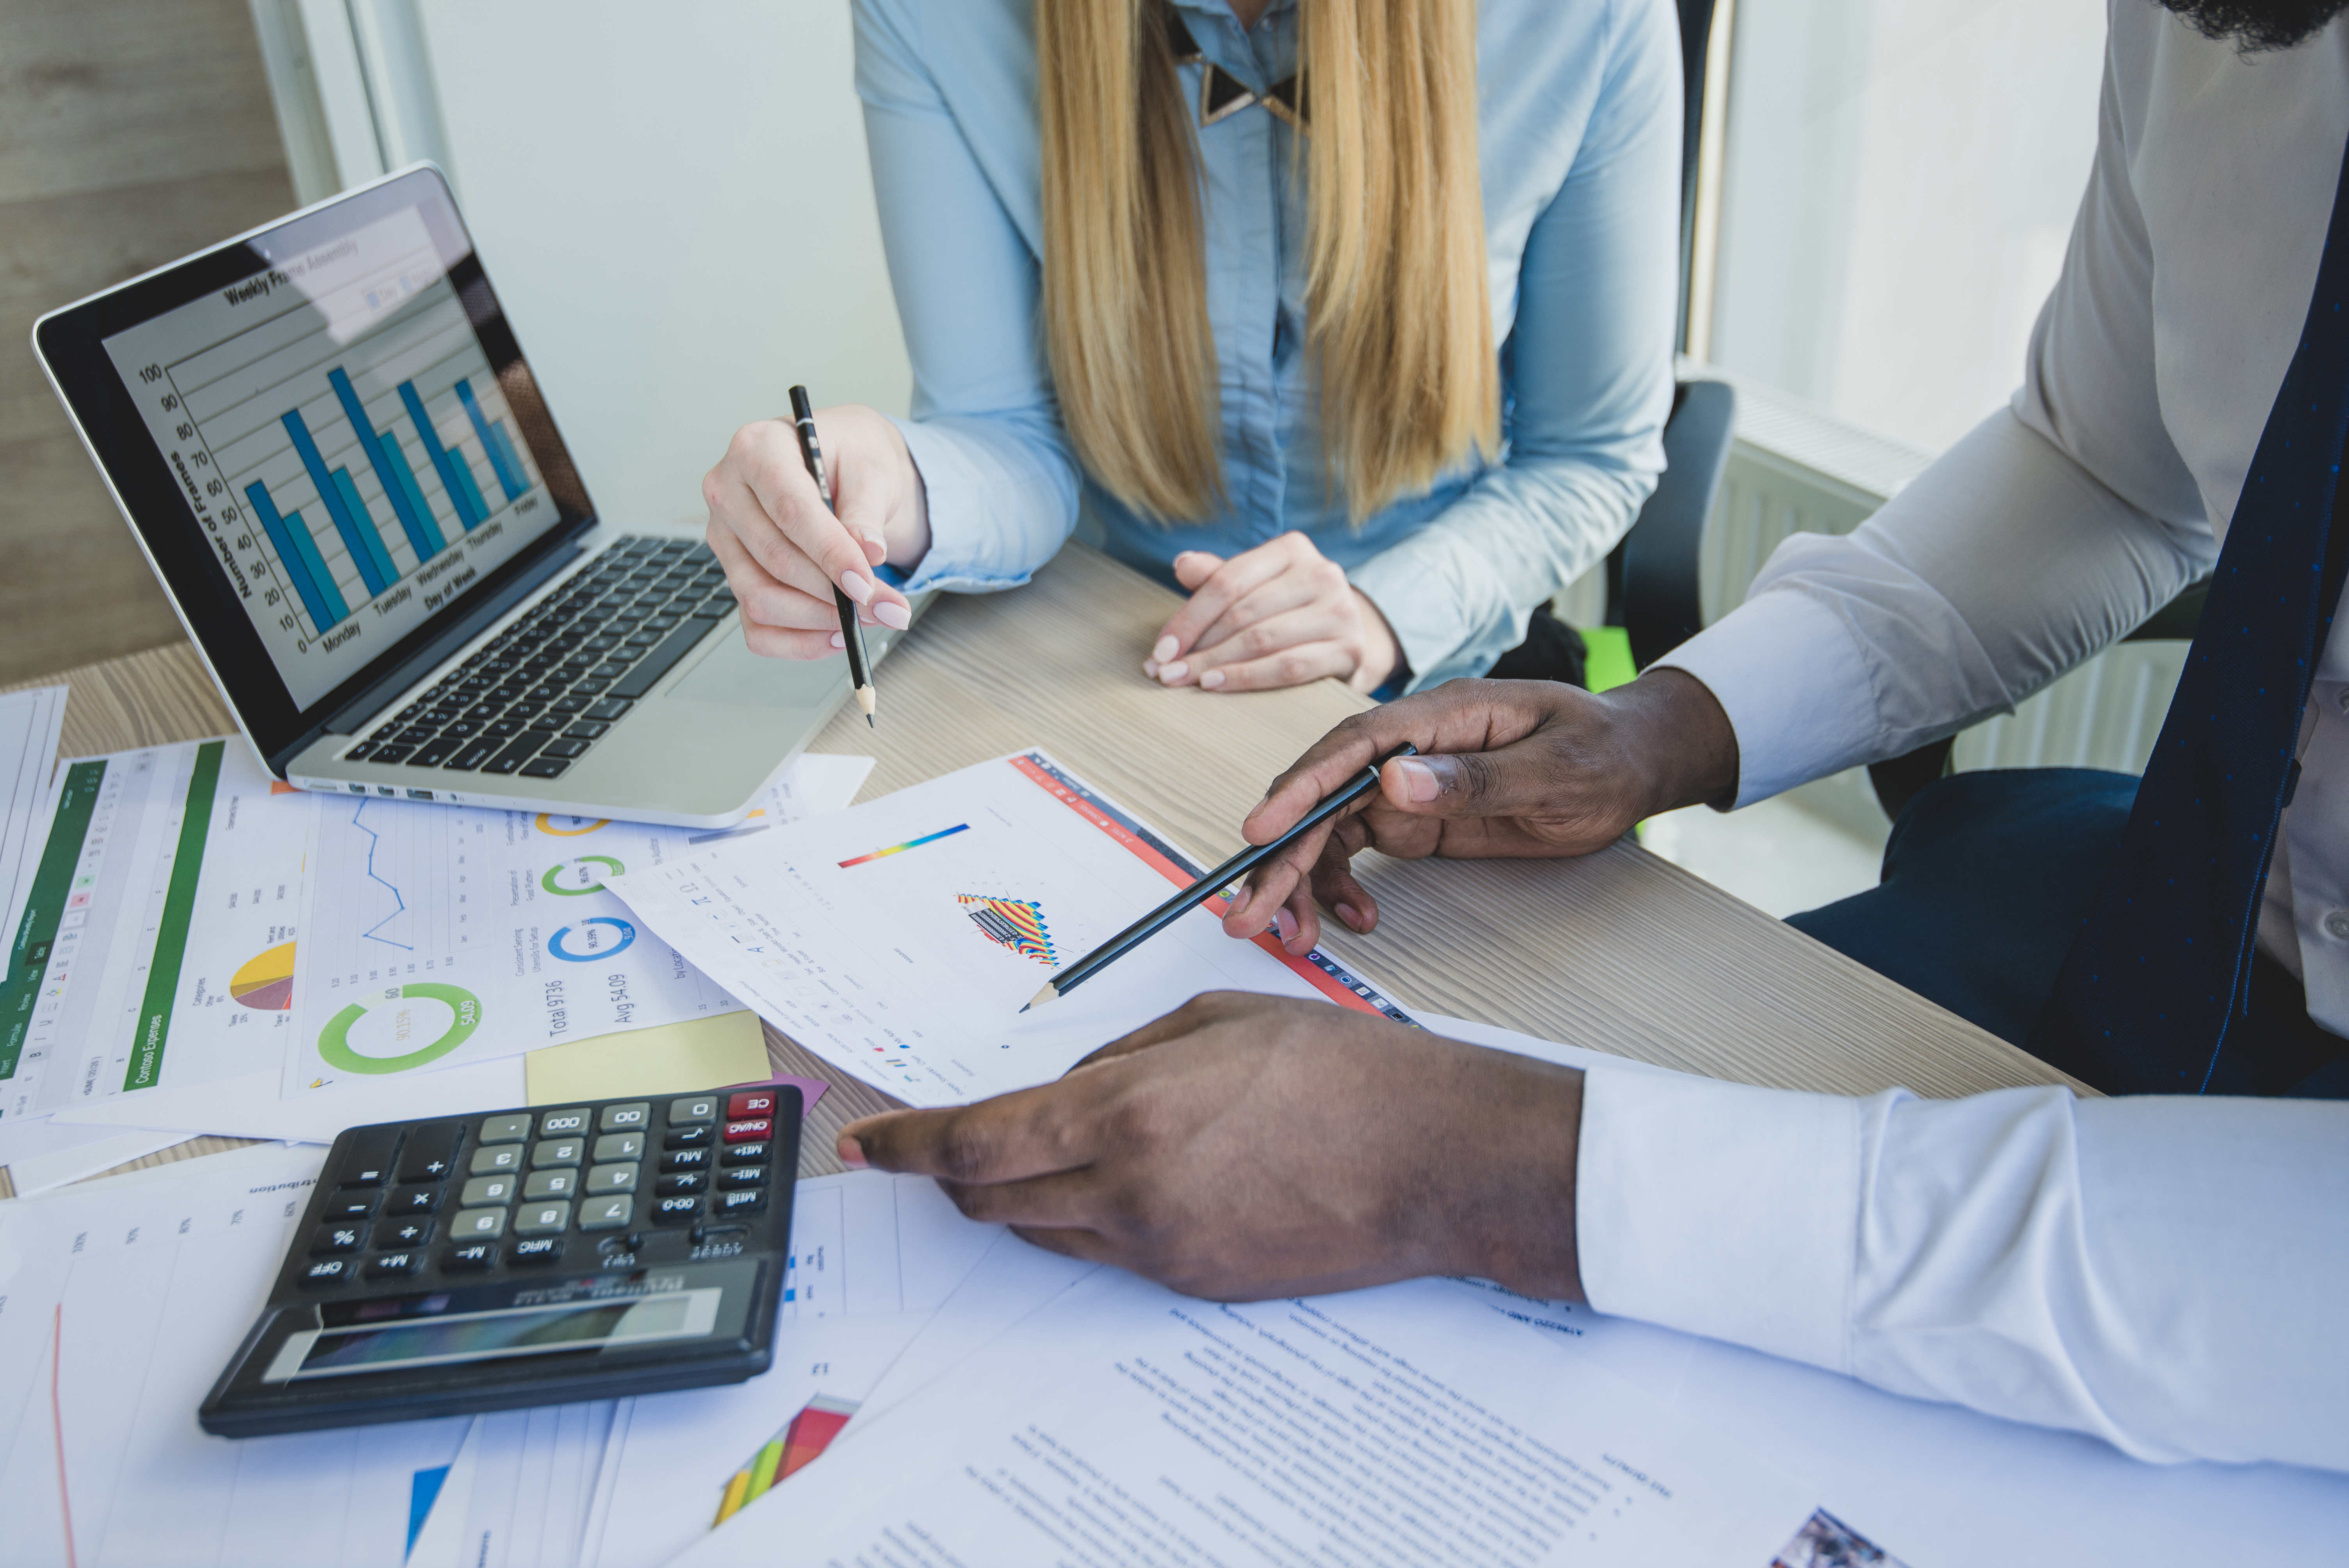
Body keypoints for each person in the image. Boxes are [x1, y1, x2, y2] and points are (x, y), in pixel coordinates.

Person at [832, 0, 2349, 1474]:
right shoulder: (2201, 32)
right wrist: (1667, 726)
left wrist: (1483, 1165)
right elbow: (2100, 459)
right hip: (2216, 893)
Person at [700, 0, 1678, 699]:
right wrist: (888, 474)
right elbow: (1006, 434)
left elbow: (1587, 455)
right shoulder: (934, 18)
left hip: (1436, 666)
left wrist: (1385, 612)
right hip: (1113, 663)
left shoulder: (1580, 21)